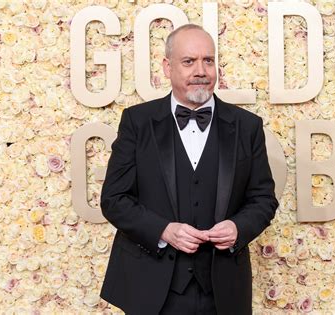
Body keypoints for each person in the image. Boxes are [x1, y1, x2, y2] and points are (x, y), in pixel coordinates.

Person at [100, 24, 279, 315]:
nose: (201, 71)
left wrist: (238, 228)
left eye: (208, 60)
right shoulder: (137, 122)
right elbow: (114, 199)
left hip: (223, 289)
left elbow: (263, 199)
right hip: (151, 285)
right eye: (189, 61)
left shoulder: (247, 126)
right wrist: (164, 231)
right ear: (167, 67)